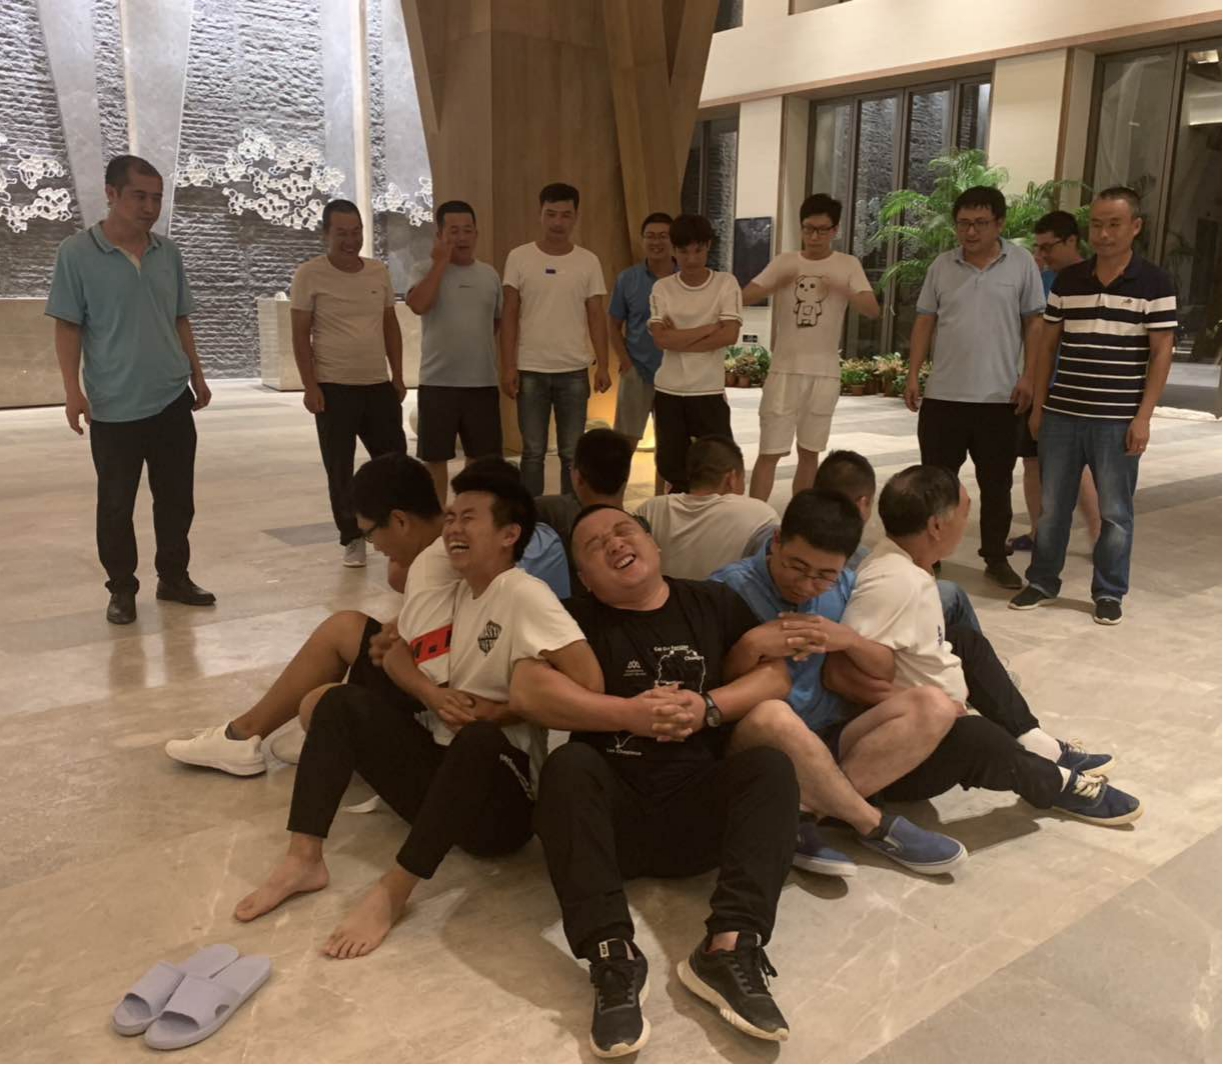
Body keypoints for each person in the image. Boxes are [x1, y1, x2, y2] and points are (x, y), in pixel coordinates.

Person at [230, 463, 600, 960]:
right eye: (451, 517)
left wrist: (505, 711)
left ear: (509, 535)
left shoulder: (525, 594)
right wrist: (432, 694)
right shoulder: (462, 590)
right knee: (337, 702)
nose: (453, 528)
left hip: (502, 807)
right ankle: (303, 858)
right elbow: (395, 650)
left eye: (469, 518)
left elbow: (589, 681)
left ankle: (393, 891)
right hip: (442, 772)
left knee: (478, 739)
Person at [520, 504, 798, 1053]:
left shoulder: (711, 601)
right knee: (567, 767)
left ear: (655, 545)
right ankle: (612, 957)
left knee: (771, 767)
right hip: (611, 830)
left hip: (697, 816)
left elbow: (775, 676)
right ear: (585, 578)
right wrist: (628, 715)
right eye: (594, 544)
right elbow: (528, 689)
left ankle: (728, 949)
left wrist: (708, 708)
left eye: (624, 531)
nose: (614, 543)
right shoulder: (571, 619)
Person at [164, 455, 567, 775]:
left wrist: (400, 651)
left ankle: (243, 736)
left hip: (450, 715)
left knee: (320, 698)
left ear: (400, 521)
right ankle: (248, 734)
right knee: (345, 638)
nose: (373, 546)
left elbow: (437, 681)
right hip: (468, 699)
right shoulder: (450, 553)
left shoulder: (432, 565)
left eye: (370, 533)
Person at [839, 464, 1142, 825]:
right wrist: (929, 708)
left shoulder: (907, 565)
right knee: (978, 736)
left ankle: (1039, 745)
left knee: (964, 643)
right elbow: (840, 674)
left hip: (924, 719)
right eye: (964, 511)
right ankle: (1056, 784)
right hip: (900, 760)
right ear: (936, 526)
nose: (966, 521)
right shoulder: (893, 583)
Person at [711, 490, 968, 877]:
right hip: (764, 745)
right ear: (777, 541)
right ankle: (871, 824)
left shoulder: (846, 585)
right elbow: (715, 690)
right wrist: (751, 647)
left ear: (845, 564)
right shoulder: (728, 588)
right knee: (772, 713)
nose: (806, 585)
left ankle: (801, 814)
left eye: (823, 575)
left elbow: (883, 668)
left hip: (831, 735)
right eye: (796, 566)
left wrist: (847, 639)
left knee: (935, 704)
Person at [47, 154, 214, 625]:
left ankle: (174, 577)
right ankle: (121, 588)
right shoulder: (76, 253)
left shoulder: (167, 253)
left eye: (156, 198)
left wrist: (197, 374)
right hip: (114, 404)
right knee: (116, 504)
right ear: (112, 194)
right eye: (139, 196)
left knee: (177, 498)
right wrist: (72, 391)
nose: (149, 207)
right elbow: (68, 327)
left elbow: (180, 318)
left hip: (171, 397)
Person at [1011, 188, 1178, 627]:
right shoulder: (1069, 280)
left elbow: (1162, 352)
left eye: (1114, 224)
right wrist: (1040, 406)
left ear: (1135, 227)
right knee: (1052, 508)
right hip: (1063, 414)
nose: (1103, 234)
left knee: (1115, 513)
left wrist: (1143, 417)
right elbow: (1047, 346)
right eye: (1097, 225)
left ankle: (1109, 591)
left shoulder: (1155, 283)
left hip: (1117, 419)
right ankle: (1042, 581)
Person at [904, 185, 1046, 590]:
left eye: (980, 223)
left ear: (999, 224)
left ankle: (996, 558)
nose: (970, 232)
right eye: (963, 223)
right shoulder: (942, 266)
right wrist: (913, 374)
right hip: (944, 397)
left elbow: (1035, 324)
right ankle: (929, 557)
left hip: (999, 399)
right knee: (935, 486)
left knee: (997, 485)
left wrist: (1029, 377)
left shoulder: (1021, 264)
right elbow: (925, 321)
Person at [290, 199, 407, 569]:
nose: (351, 240)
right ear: (326, 234)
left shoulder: (377, 272)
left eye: (356, 232)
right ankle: (352, 537)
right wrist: (310, 386)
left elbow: (390, 324)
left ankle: (397, 531)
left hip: (377, 384)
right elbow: (300, 334)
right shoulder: (309, 274)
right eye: (342, 233)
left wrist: (398, 374)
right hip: (333, 387)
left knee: (394, 463)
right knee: (339, 468)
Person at [741, 193, 879, 501]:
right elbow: (744, 296)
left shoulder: (848, 264)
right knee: (769, 451)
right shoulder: (785, 261)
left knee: (809, 452)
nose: (814, 237)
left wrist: (841, 286)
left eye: (821, 230)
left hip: (824, 372)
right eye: (808, 229)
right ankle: (754, 518)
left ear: (835, 230)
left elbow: (872, 309)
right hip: (784, 369)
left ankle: (801, 516)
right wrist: (776, 283)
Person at [500, 183, 610, 496]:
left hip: (573, 370)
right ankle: (531, 516)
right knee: (532, 452)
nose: (558, 222)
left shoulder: (588, 261)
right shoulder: (519, 257)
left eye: (565, 215)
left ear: (575, 217)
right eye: (551, 214)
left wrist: (603, 365)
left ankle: (569, 514)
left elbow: (596, 316)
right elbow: (509, 315)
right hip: (530, 369)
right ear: (540, 214)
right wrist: (508, 366)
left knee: (572, 453)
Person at [1011, 211, 1101, 553]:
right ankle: (1038, 534)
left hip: (1071, 387)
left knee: (1076, 467)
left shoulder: (1092, 279)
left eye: (1048, 247)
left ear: (1071, 241)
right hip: (1036, 383)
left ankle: (1099, 536)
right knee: (1032, 460)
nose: (1042, 254)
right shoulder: (1041, 280)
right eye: (1038, 247)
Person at [814, 449, 981, 632]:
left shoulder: (800, 531)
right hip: (851, 626)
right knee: (952, 595)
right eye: (964, 514)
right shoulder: (874, 566)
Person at [406, 198, 504, 507]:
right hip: (438, 382)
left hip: (482, 382)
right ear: (439, 235)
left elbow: (495, 322)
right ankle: (436, 523)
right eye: (453, 231)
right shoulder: (423, 269)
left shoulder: (489, 275)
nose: (461, 237)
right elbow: (418, 304)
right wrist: (440, 264)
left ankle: (468, 515)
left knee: (480, 461)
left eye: (467, 230)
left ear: (476, 234)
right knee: (435, 459)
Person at [648, 214, 743, 492]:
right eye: (683, 251)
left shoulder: (725, 283)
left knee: (720, 465)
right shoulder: (663, 287)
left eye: (698, 250)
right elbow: (660, 339)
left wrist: (678, 338)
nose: (691, 259)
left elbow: (729, 335)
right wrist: (709, 328)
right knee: (672, 467)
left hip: (708, 390)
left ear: (708, 246)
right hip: (669, 390)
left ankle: (718, 515)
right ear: (674, 250)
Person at [635, 436, 779, 580]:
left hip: (664, 593)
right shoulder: (760, 516)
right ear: (731, 478)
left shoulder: (650, 509)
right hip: (725, 595)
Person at [608, 212, 675, 495]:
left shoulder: (685, 278)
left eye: (663, 236)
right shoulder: (628, 279)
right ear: (642, 239)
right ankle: (615, 501)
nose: (656, 242)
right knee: (624, 445)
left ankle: (661, 504)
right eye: (650, 236)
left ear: (673, 240)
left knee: (669, 446)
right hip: (637, 370)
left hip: (676, 374)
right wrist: (626, 363)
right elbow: (613, 324)